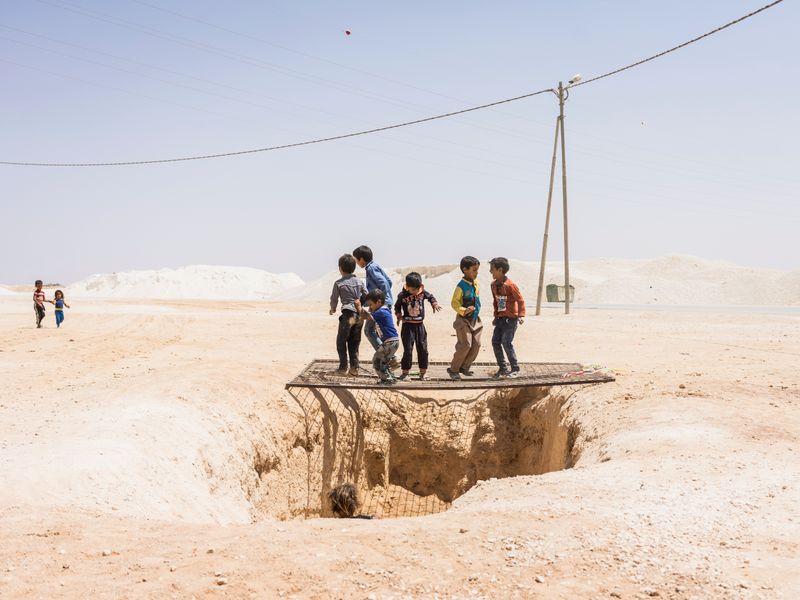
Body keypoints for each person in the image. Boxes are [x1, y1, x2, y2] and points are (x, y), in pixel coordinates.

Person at [394, 272, 441, 380]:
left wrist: (435, 304)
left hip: (420, 326)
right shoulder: (402, 295)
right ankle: (405, 373)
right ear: (407, 286)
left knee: (423, 349)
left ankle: (423, 372)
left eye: (416, 289)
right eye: (412, 290)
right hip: (407, 327)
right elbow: (397, 307)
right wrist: (399, 316)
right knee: (408, 350)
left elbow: (431, 297)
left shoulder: (422, 292)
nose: (415, 292)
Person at [352, 245, 394, 358]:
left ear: (361, 259)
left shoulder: (370, 269)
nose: (356, 263)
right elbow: (389, 282)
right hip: (381, 304)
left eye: (356, 260)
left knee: (369, 331)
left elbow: (384, 284)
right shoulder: (375, 266)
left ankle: (389, 356)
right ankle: (389, 356)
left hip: (380, 305)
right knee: (380, 333)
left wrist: (380, 301)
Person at [329, 254, 367, 376]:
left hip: (348, 315)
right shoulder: (359, 282)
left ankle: (343, 367)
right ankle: (354, 368)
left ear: (340, 268)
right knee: (354, 342)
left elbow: (334, 299)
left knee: (341, 341)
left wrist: (333, 309)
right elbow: (366, 295)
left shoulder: (338, 283)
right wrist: (360, 303)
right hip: (359, 315)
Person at [488, 257, 526, 378]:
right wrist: (495, 316)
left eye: (492, 269)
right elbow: (495, 302)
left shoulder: (510, 285)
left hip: (511, 320)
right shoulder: (493, 285)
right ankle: (503, 368)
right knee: (495, 342)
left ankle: (515, 368)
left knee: (506, 342)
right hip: (500, 319)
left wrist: (521, 315)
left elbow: (520, 300)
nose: (490, 271)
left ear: (500, 270)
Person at [448, 256, 482, 381]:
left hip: (475, 319)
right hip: (463, 320)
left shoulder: (477, 283)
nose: (476, 273)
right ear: (465, 269)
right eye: (474, 270)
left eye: (477, 270)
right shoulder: (460, 286)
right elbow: (454, 303)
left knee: (476, 344)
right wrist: (464, 311)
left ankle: (464, 367)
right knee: (465, 345)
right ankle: (454, 369)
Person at [360, 290, 399, 385]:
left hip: (390, 343)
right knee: (382, 361)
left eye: (371, 305)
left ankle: (386, 380)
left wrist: (358, 312)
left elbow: (367, 317)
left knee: (377, 361)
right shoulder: (383, 310)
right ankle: (390, 378)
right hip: (391, 342)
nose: (370, 307)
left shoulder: (381, 311)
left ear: (378, 302)